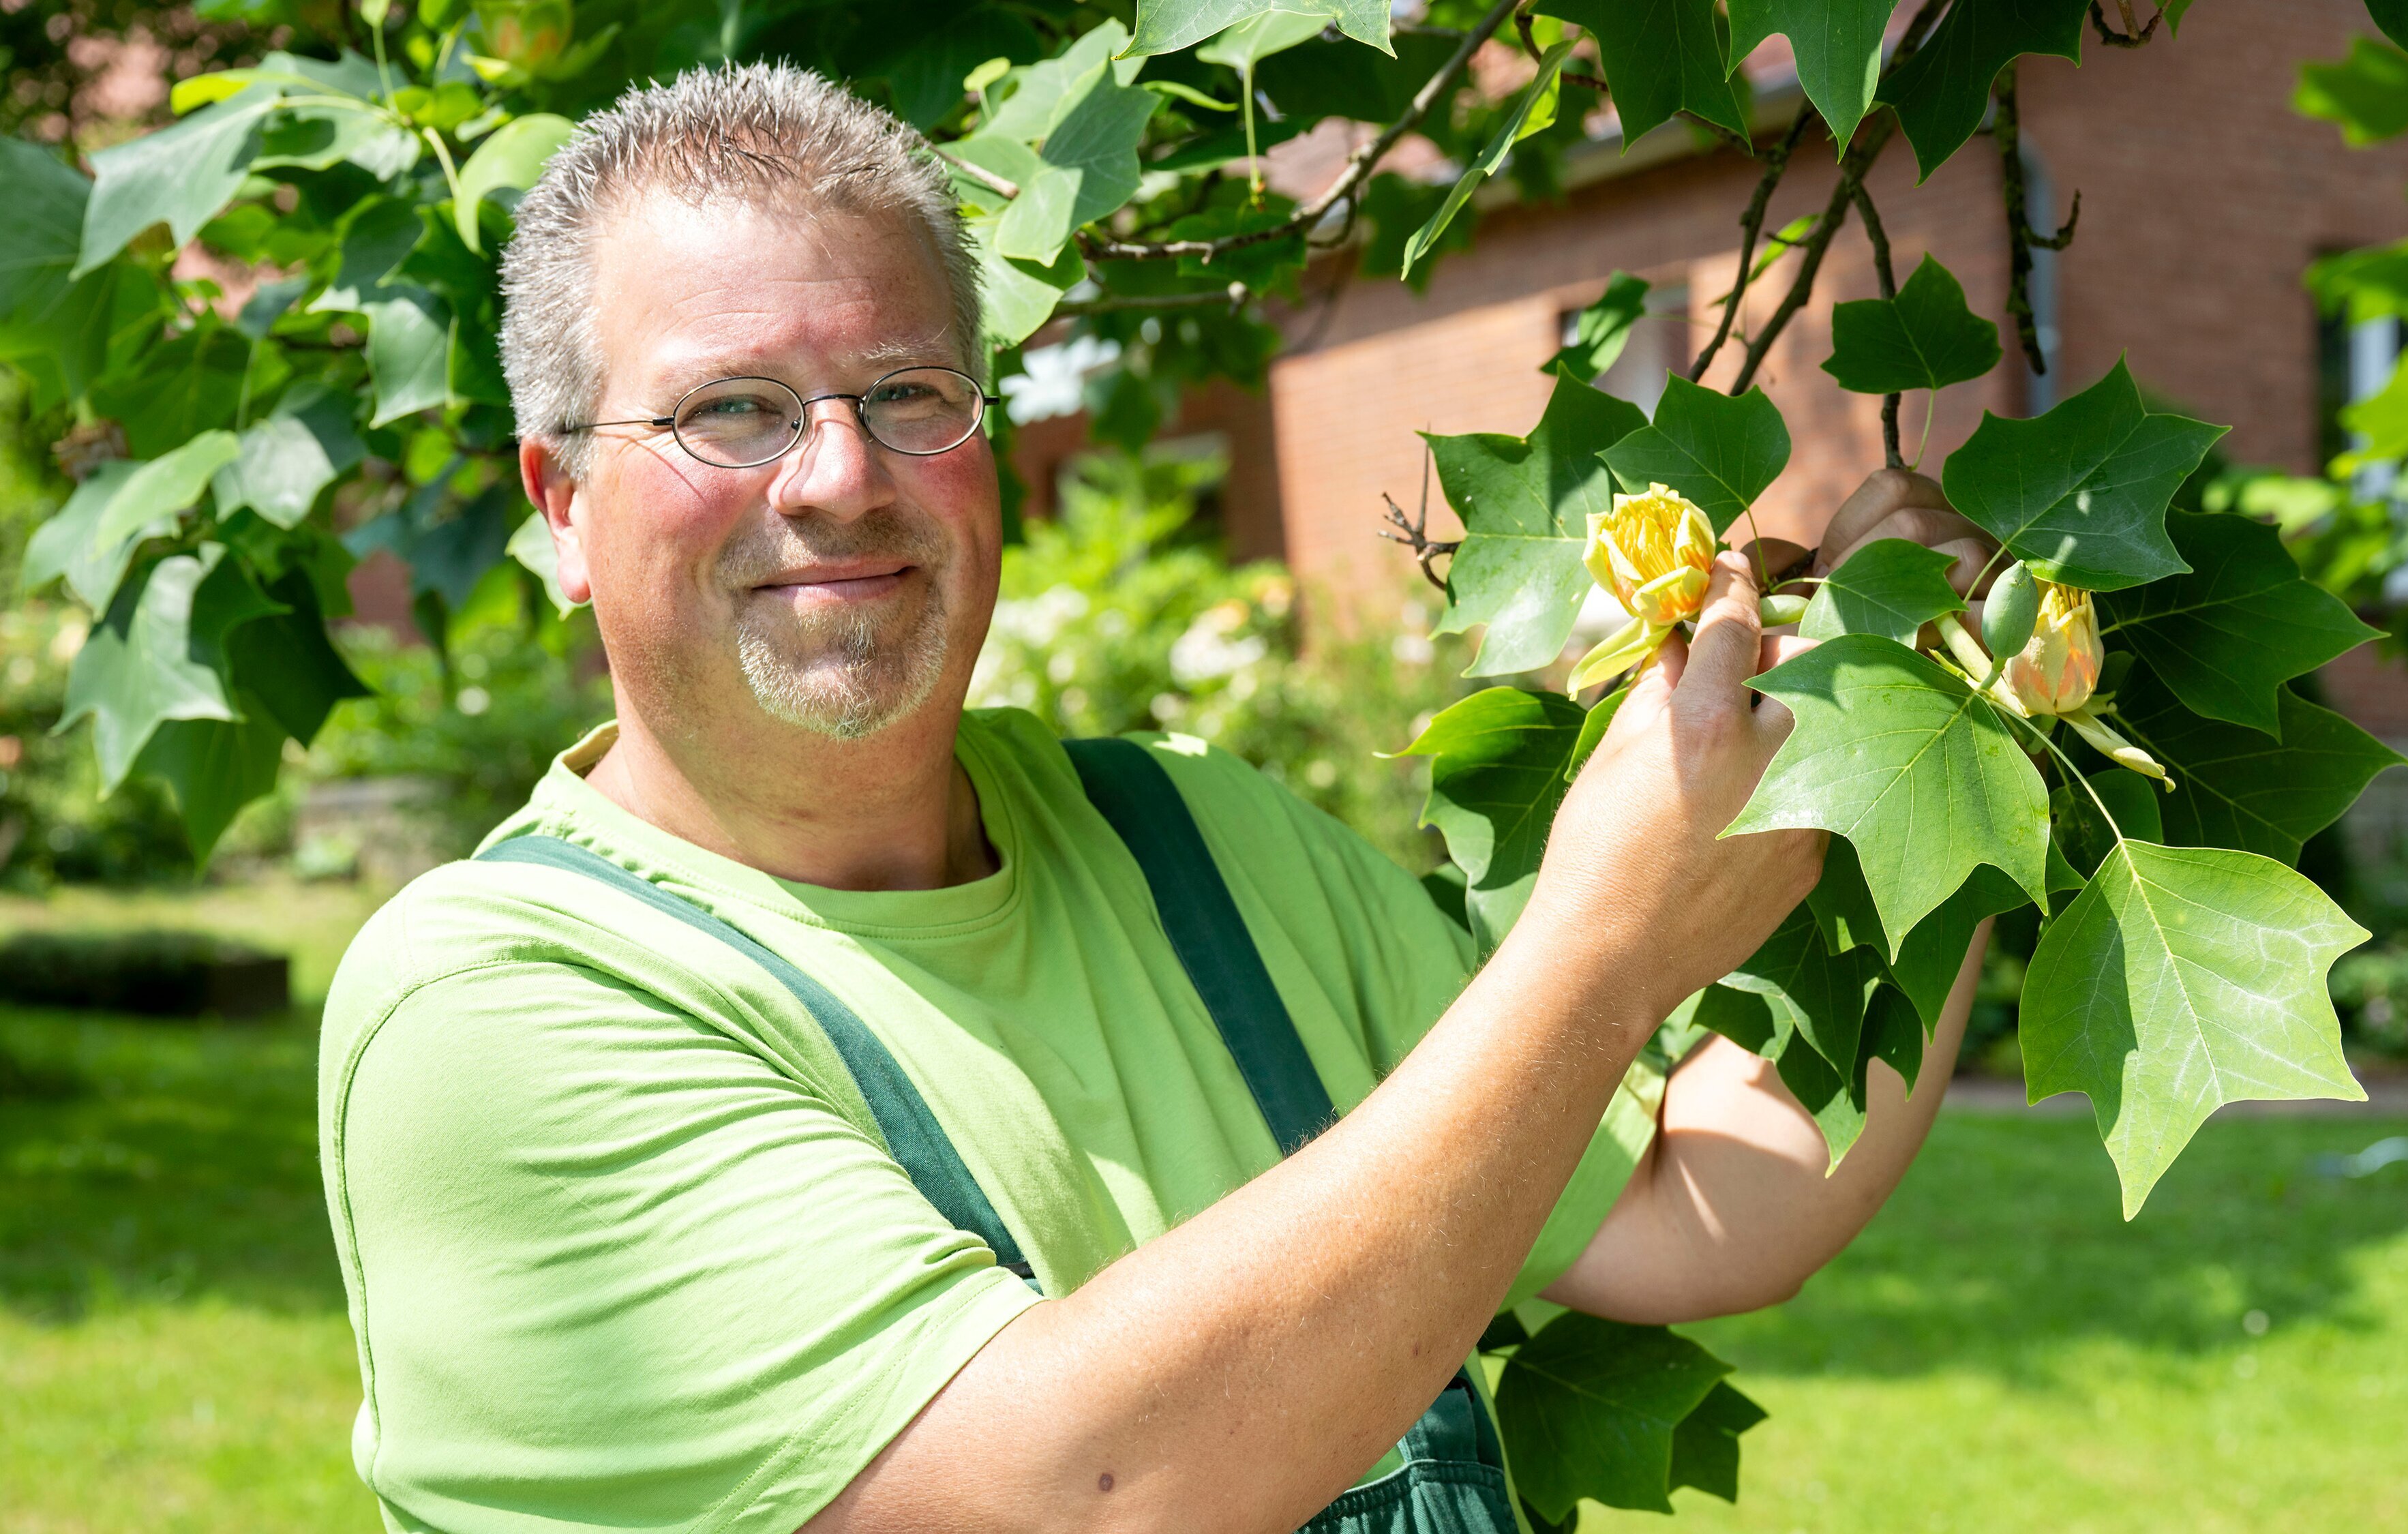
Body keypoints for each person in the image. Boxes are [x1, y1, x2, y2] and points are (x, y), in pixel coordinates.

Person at [316, 62, 2002, 1534]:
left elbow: (1692, 1212)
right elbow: (1082, 1495)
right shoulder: (491, 1011)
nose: (836, 477)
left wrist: (1936, 751)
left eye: (907, 394)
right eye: (728, 410)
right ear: (559, 501)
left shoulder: (1193, 835)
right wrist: (1599, 950)